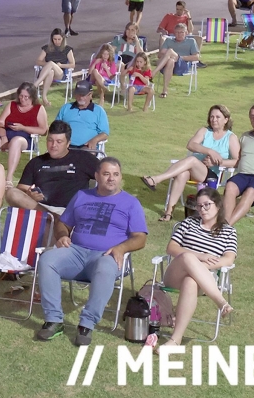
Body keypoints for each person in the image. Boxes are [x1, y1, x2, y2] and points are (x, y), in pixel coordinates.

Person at [34, 158, 148, 345]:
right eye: (106, 174)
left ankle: (86, 324)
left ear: (121, 177)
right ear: (96, 176)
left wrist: (121, 248)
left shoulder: (131, 203)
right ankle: (53, 320)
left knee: (105, 267)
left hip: (106, 255)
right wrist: (62, 235)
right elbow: (63, 223)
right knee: (47, 260)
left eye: (116, 174)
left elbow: (140, 238)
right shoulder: (82, 196)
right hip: (76, 252)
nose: (111, 178)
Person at [159, 188, 236, 348]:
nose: (202, 209)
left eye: (207, 205)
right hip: (176, 274)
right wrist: (199, 256)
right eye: (199, 206)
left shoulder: (228, 232)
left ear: (218, 205)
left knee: (191, 281)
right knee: (187, 257)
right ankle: (220, 301)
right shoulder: (188, 223)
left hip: (204, 280)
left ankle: (175, 340)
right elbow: (171, 248)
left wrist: (202, 266)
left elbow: (228, 259)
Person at [140, 105, 240, 221]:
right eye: (212, 117)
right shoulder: (205, 131)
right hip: (193, 169)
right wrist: (210, 151)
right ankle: (168, 213)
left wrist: (218, 163)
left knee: (192, 160)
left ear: (226, 119)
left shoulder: (230, 138)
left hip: (211, 175)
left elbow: (237, 161)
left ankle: (157, 179)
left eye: (218, 117)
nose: (214, 120)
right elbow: (191, 145)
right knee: (183, 174)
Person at [5, 120, 99, 216]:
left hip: (70, 211)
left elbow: (105, 176)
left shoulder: (83, 158)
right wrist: (29, 195)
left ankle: (56, 220)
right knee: (11, 193)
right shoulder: (36, 162)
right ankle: (53, 218)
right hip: (40, 210)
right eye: (50, 140)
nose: (53, 145)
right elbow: (21, 188)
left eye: (59, 142)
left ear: (68, 143)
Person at [0, 82, 48, 184]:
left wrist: (23, 128)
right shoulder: (12, 105)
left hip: (25, 139)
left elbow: (43, 130)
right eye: (21, 96)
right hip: (6, 135)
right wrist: (3, 136)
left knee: (16, 141)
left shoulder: (38, 108)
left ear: (32, 97)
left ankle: (8, 178)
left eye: (26, 97)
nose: (23, 99)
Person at [151, 23, 202, 97]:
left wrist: (179, 57)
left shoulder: (191, 41)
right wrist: (172, 57)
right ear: (174, 33)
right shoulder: (169, 41)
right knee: (170, 60)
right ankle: (165, 90)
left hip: (182, 65)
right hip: (166, 66)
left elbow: (196, 57)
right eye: (177, 32)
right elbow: (160, 55)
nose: (179, 34)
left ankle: (153, 73)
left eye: (182, 32)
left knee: (170, 51)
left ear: (186, 33)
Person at [56, 81, 110, 150]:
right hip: (65, 147)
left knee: (85, 154)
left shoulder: (99, 111)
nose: (80, 97)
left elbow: (104, 133)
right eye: (78, 94)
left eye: (83, 95)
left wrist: (94, 140)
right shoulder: (66, 108)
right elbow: (55, 128)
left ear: (90, 94)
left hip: (87, 147)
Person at [33, 29, 77, 106]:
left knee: (51, 64)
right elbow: (38, 61)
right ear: (52, 39)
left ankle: (34, 86)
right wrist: (47, 65)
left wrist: (61, 65)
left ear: (63, 39)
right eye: (55, 39)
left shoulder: (67, 49)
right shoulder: (47, 48)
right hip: (47, 72)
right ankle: (44, 98)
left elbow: (72, 64)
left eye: (59, 39)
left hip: (60, 73)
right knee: (51, 70)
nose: (57, 41)